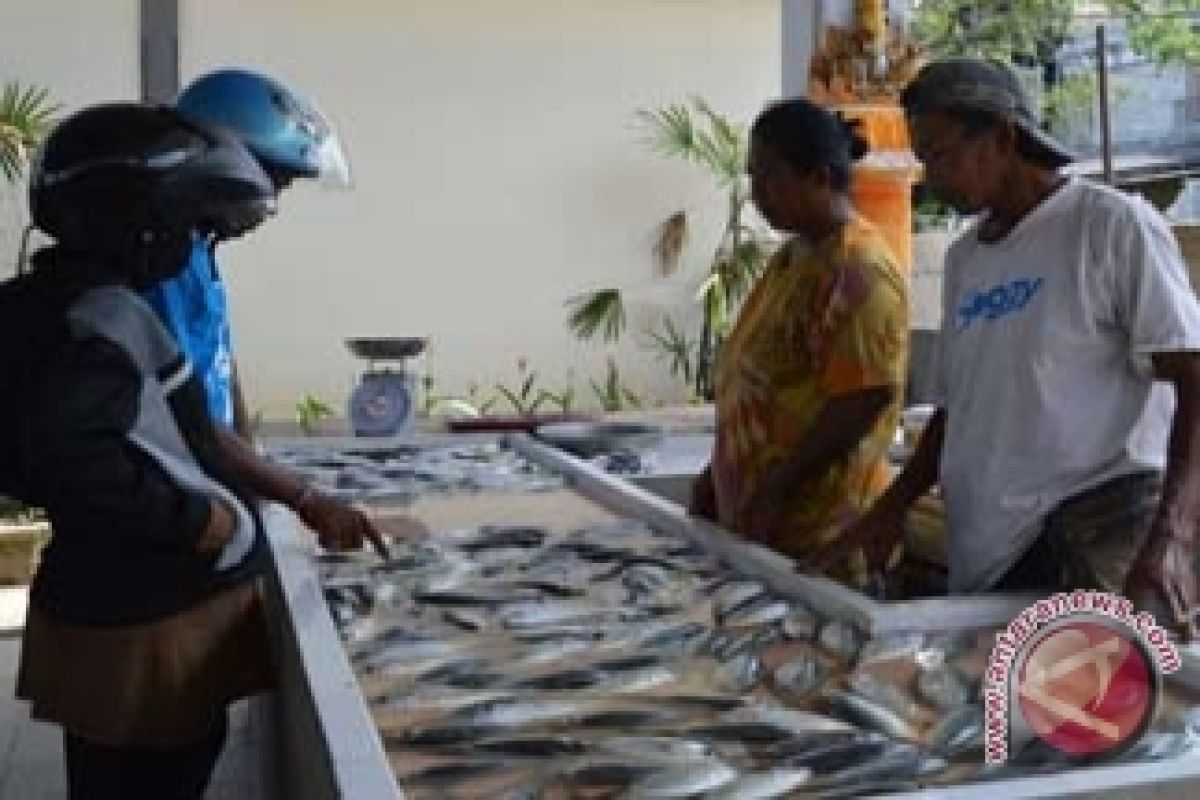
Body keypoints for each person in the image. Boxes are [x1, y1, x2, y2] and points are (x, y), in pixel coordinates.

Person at [0, 103, 338, 798]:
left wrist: (295, 498)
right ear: (137, 219)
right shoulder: (102, 319)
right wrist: (199, 520)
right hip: (144, 613)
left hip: (108, 597)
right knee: (149, 784)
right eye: (186, 220)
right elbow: (77, 460)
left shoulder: (47, 303)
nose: (192, 240)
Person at [814, 58, 1200, 640]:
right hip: (993, 552)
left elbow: (1193, 377)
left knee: (1098, 717)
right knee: (998, 720)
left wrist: (1173, 537)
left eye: (940, 155)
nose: (931, 178)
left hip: (1095, 534)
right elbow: (954, 409)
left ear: (1001, 135)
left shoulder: (1110, 226)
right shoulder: (967, 258)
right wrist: (890, 510)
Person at [145, 68, 394, 554]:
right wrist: (304, 498)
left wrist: (256, 478)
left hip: (213, 494)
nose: (267, 206)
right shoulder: (161, 266)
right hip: (169, 526)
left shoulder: (197, 249)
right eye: (268, 184)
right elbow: (183, 411)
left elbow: (217, 361)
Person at [689, 97, 910, 591]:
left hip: (820, 539)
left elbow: (863, 396)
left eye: (769, 177)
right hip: (762, 528)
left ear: (820, 177)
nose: (756, 193)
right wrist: (718, 473)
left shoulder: (857, 269)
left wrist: (779, 486)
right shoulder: (795, 255)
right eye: (753, 177)